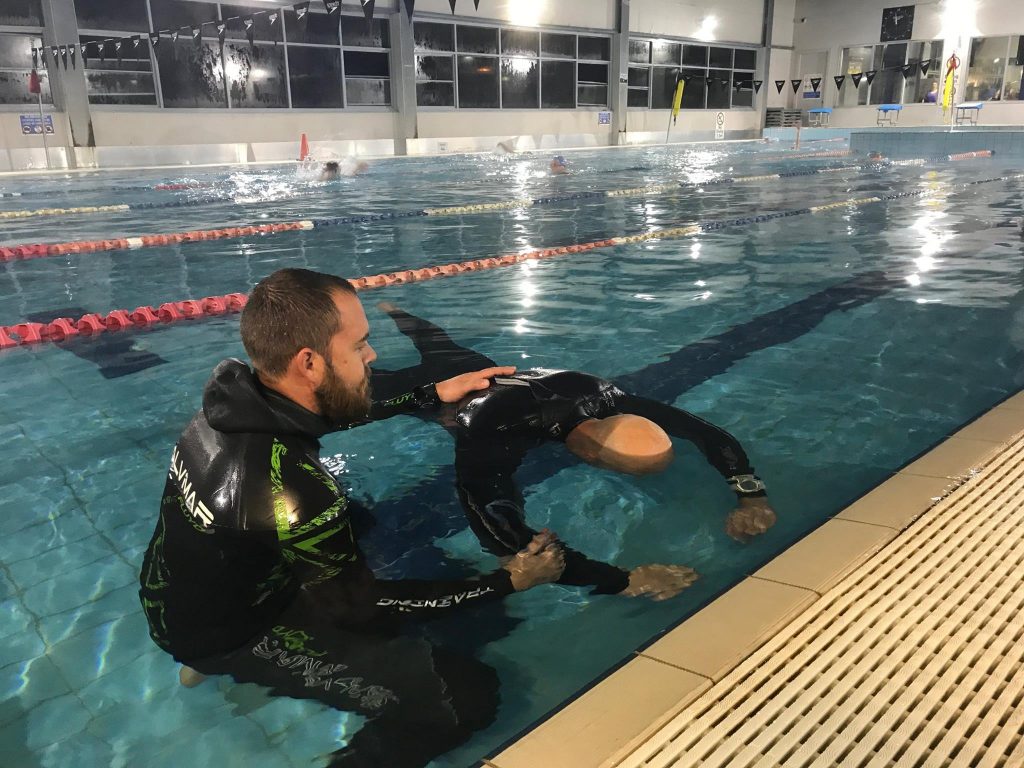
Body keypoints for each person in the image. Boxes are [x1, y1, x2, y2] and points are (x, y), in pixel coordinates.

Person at [138, 269, 567, 768]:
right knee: (464, 697)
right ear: (310, 363)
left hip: (175, 597)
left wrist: (431, 394)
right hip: (236, 632)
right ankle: (219, 665)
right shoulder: (295, 496)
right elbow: (361, 607)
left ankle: (202, 660)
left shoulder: (227, 407)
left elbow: (327, 410)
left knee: (358, 526)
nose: (373, 357)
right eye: (360, 346)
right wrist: (508, 581)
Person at [369, 304, 777, 599]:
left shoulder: (603, 394)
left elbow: (704, 432)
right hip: (433, 398)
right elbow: (491, 517)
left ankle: (395, 310)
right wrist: (623, 580)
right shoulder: (496, 433)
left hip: (486, 372)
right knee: (354, 392)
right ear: (594, 459)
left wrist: (751, 494)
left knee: (439, 344)